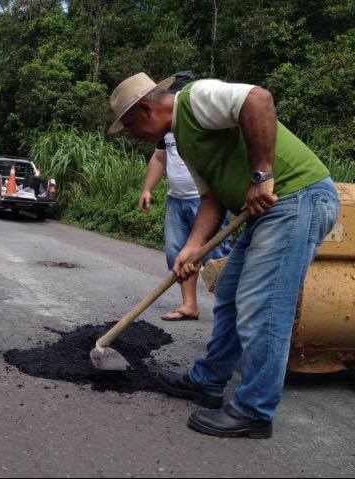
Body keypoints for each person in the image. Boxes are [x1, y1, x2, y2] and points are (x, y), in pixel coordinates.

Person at [108, 72, 339, 438]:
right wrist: (192, 247)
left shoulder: (196, 99)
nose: (134, 136)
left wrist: (262, 175)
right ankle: (208, 382)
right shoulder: (182, 140)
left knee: (261, 305)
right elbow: (212, 199)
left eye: (130, 125)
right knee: (229, 293)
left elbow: (258, 100)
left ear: (146, 110)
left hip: (297, 198)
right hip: (267, 213)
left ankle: (254, 411)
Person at [140, 74, 231, 322]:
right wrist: (148, 189)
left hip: (209, 201)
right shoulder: (166, 132)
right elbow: (160, 158)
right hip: (176, 200)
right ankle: (189, 305)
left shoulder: (200, 121)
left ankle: (227, 311)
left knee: (217, 257)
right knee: (178, 254)